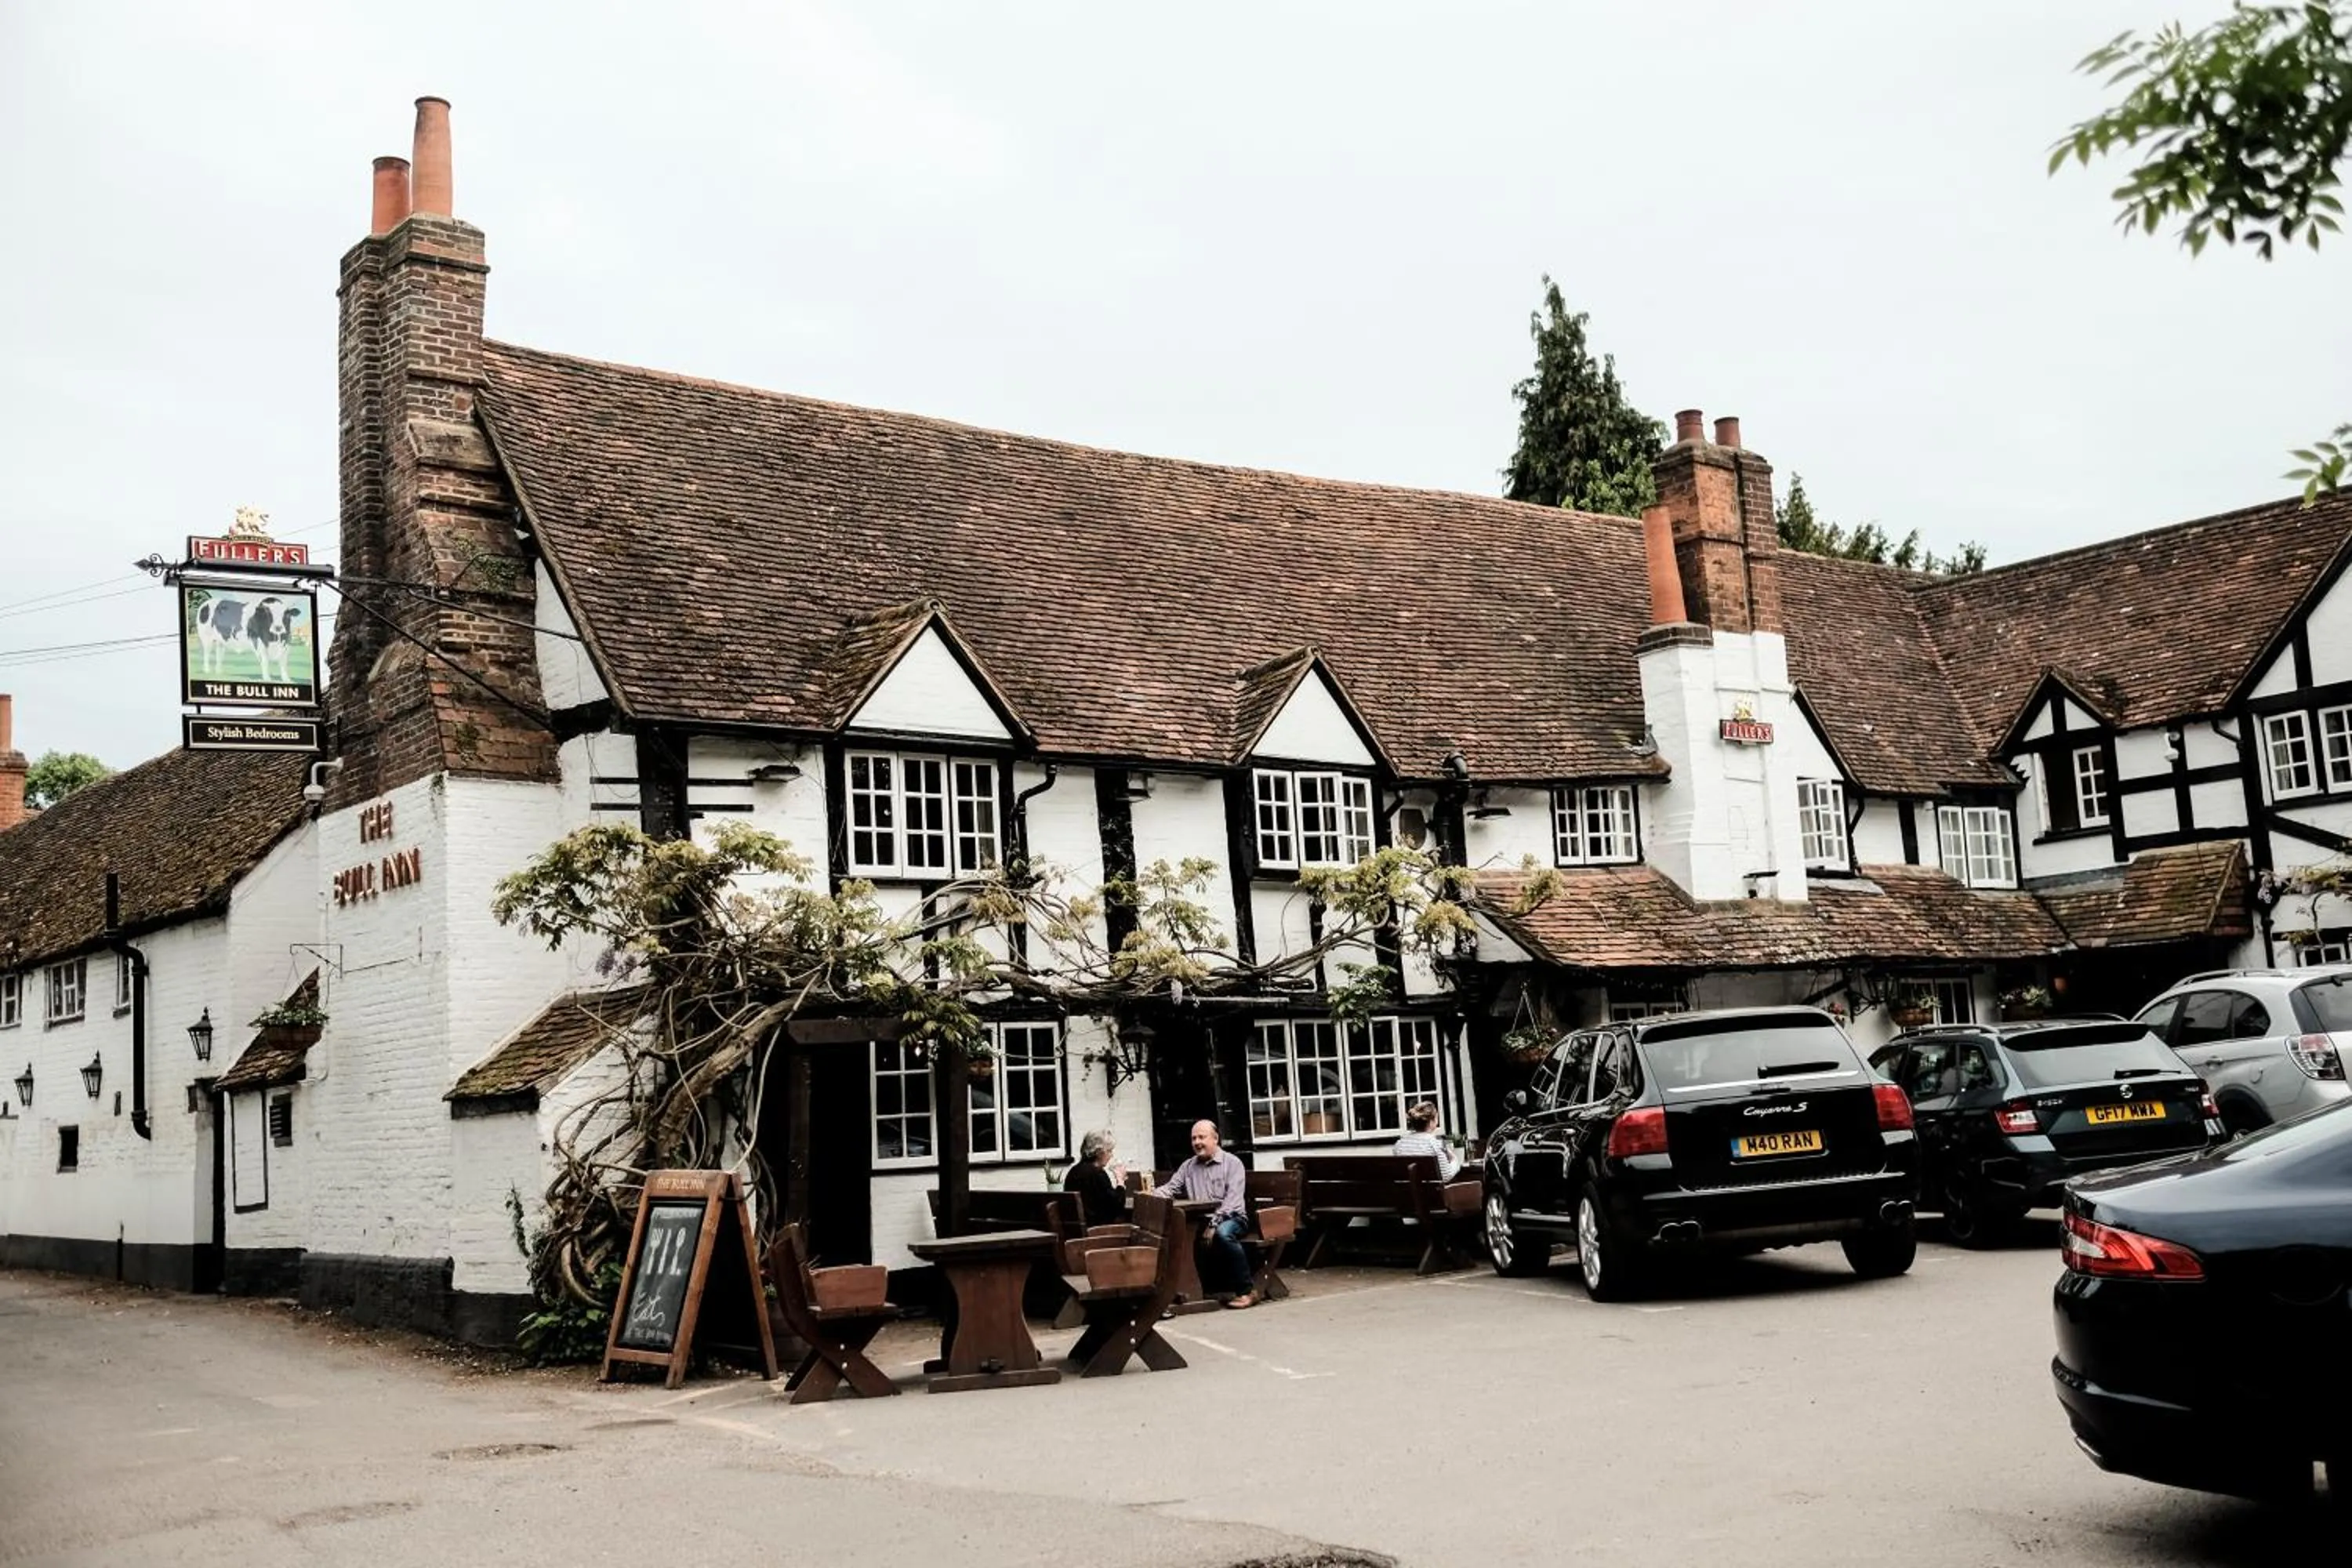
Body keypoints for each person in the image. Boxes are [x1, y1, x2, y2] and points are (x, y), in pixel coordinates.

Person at [1155, 1120, 1255, 1308]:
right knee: (1174, 1236)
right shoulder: (1188, 1166)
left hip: (1232, 1218)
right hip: (1200, 1221)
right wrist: (1150, 1195)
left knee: (1223, 1235)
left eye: (1202, 1137)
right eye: (1194, 1138)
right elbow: (1171, 1188)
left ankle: (1247, 1291)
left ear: (1216, 1139)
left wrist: (1214, 1223)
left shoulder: (1233, 1164)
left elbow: (1233, 1202)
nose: (1197, 1142)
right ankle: (1183, 1290)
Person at [1062, 1128, 1128, 1228]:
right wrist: (1120, 1181)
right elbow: (1116, 1207)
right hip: (1096, 1233)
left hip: (1076, 1232)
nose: (1111, 1155)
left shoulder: (1073, 1172)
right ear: (1099, 1152)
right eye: (1109, 1151)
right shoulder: (1097, 1173)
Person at [1393, 1102, 1461, 1179]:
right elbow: (1446, 1175)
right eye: (1436, 1118)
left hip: (1407, 1191)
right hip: (1431, 1191)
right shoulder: (1435, 1144)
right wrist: (1454, 1159)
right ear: (1431, 1122)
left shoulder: (1399, 1145)